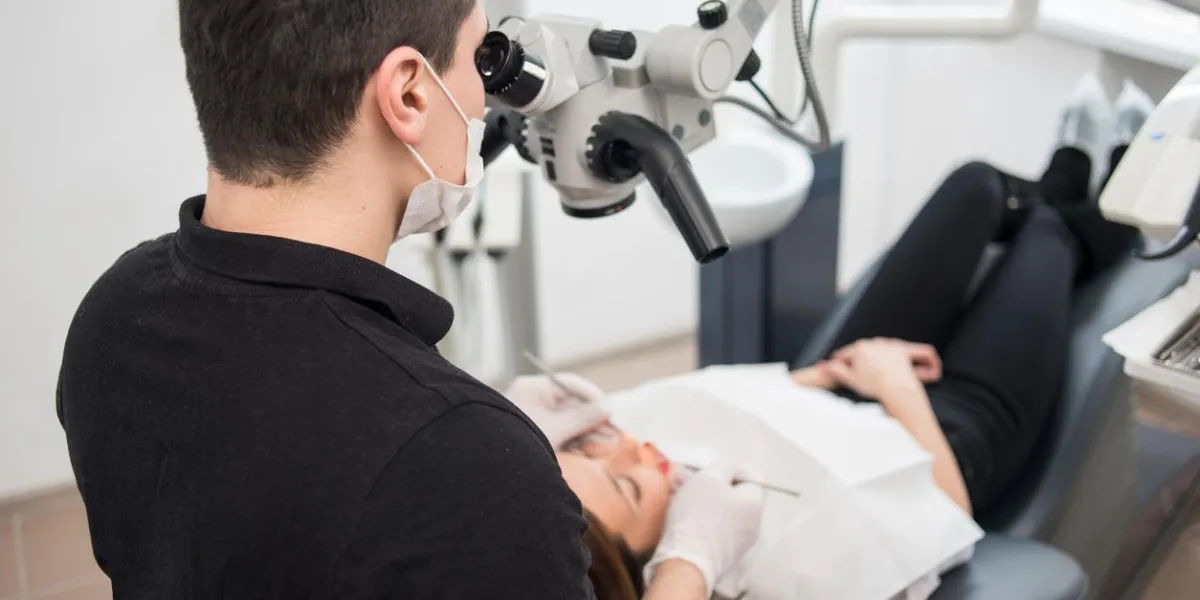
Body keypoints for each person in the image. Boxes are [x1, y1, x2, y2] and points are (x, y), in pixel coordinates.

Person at [56, 1, 761, 598]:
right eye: (479, 57)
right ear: (412, 94)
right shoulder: (467, 470)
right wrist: (686, 566)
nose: (487, 99)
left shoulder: (112, 317)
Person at [509, 91, 1145, 599]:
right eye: (629, 488)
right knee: (1045, 239)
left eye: (589, 447)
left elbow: (729, 399)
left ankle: (1068, 170)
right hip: (942, 440)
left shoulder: (624, 460)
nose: (636, 450)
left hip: (833, 380)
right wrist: (894, 386)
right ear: (645, 570)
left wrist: (825, 377)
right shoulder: (745, 571)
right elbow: (949, 518)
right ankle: (1102, 193)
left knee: (975, 185)